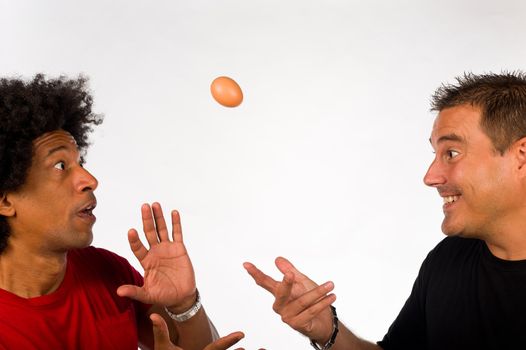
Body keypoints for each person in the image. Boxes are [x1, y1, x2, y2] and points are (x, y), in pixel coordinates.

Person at [244, 71, 526, 350]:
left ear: (521, 157)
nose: (430, 177)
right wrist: (329, 331)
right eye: (435, 155)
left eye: (451, 153)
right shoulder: (449, 259)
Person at [0, 74, 243, 350]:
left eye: (80, 162)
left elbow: (193, 346)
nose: (90, 179)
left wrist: (183, 304)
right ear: (5, 200)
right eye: (60, 166)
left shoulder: (108, 272)